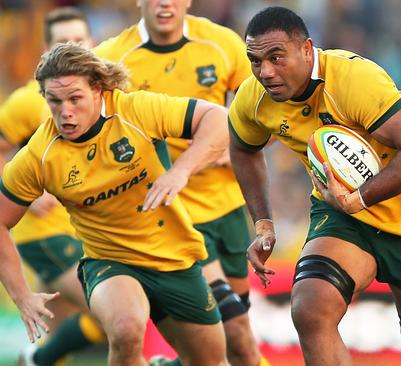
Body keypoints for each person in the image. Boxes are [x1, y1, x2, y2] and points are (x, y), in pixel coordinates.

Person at [229, 6, 401, 366]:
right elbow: (241, 147)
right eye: (255, 61)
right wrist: (264, 222)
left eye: (276, 57)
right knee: (311, 307)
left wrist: (360, 197)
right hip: (342, 217)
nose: (265, 72)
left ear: (307, 49)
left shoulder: (353, 79)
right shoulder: (254, 98)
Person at [0, 43, 229, 366]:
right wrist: (21, 296)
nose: (65, 111)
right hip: (109, 260)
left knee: (211, 361)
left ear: (97, 90)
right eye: (55, 101)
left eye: (74, 99)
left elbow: (218, 119)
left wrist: (180, 170)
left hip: (174, 255)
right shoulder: (40, 155)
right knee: (125, 328)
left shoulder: (136, 111)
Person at [92, 1, 264, 364]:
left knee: (234, 341)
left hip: (227, 207)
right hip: (171, 215)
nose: (165, 3)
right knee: (236, 333)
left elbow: (265, 108)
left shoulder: (221, 43)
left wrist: (235, 147)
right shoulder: (111, 57)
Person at [0, 7, 107, 366]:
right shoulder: (27, 101)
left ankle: (38, 359)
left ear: (92, 43)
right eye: (63, 42)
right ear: (46, 49)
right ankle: (40, 358)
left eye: (79, 40)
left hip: (87, 230)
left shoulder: (105, 97)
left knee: (61, 320)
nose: (73, 47)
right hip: (43, 233)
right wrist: (25, 195)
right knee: (111, 308)